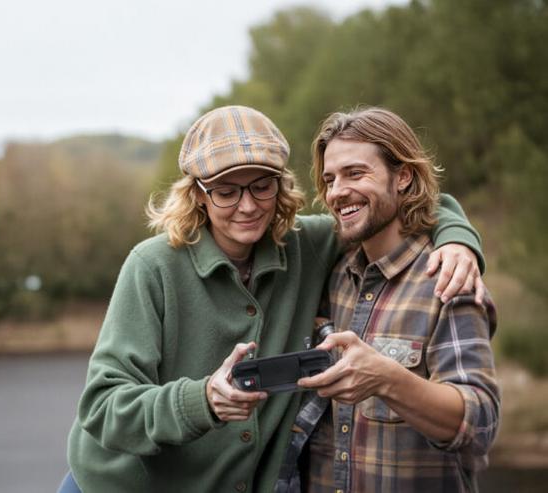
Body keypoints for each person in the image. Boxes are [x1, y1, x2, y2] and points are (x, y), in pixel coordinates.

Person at [60, 106, 484, 493]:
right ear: (199, 194)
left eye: (262, 187)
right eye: (226, 192)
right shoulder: (153, 266)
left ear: (280, 186)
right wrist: (203, 400)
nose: (247, 206)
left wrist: (457, 239)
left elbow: (400, 203)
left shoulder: (306, 246)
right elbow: (102, 407)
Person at [282, 107, 499, 492]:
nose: (337, 192)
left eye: (355, 173)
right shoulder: (332, 275)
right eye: (330, 179)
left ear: (403, 177)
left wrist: (387, 379)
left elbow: (480, 424)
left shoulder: (448, 277)